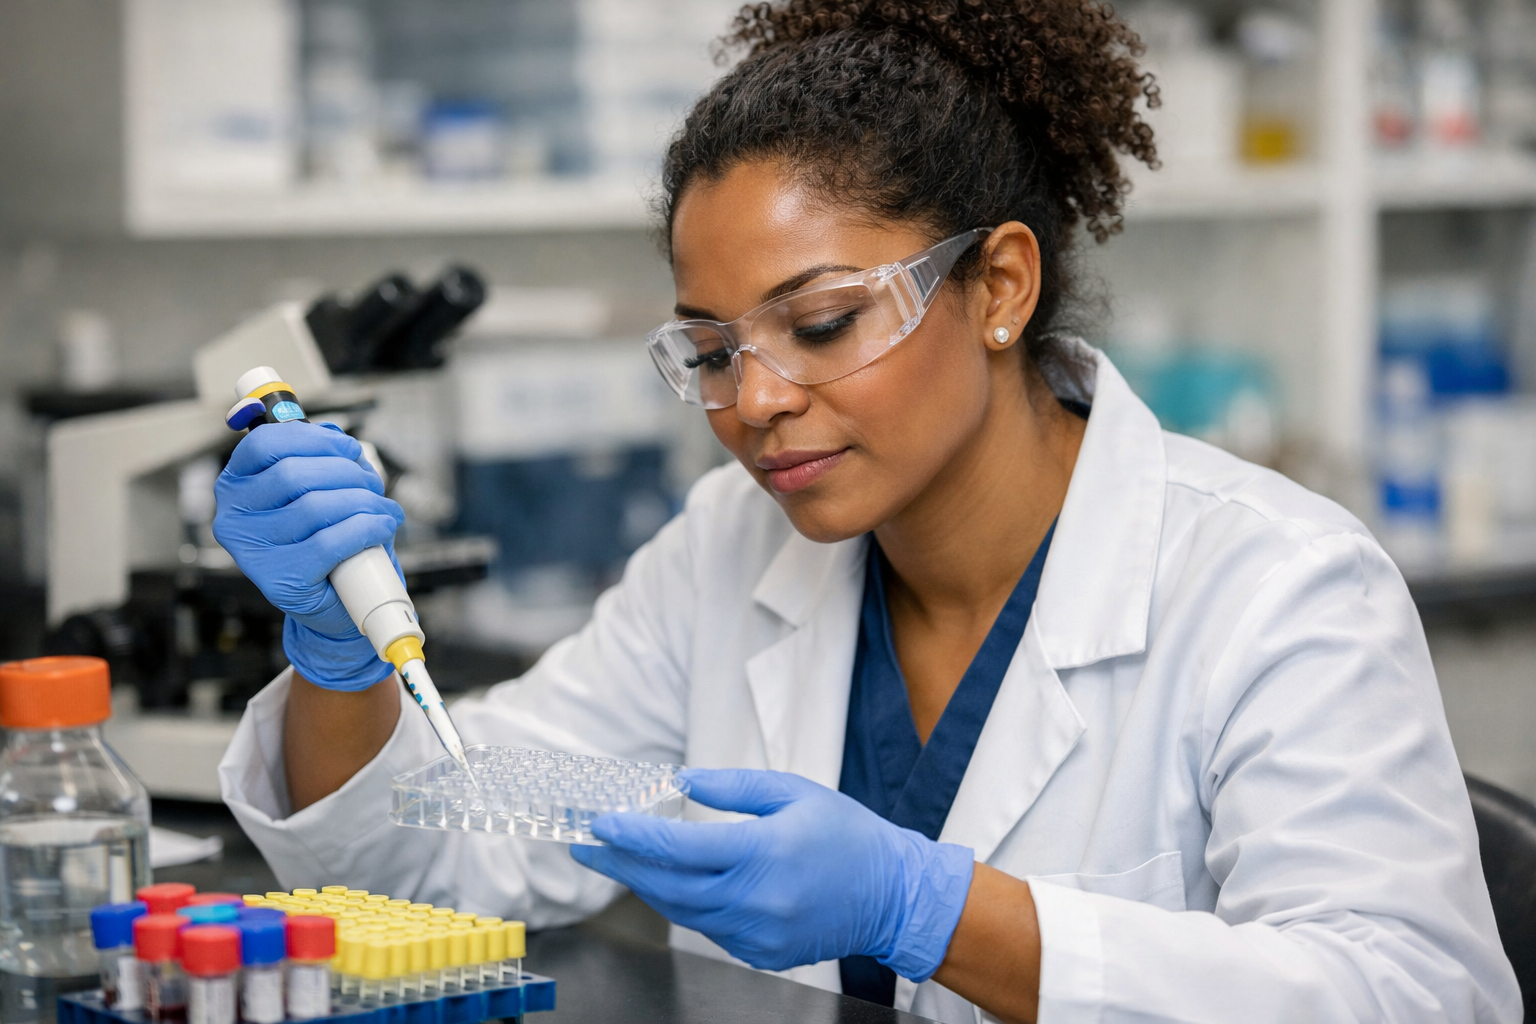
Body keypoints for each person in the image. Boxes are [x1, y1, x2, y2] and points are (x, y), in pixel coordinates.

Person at [214, 1, 1519, 1021]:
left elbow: (1412, 999)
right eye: (710, 350)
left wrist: (935, 912)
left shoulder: (1276, 585)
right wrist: (337, 660)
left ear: (999, 285)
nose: (755, 400)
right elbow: (430, 868)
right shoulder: (724, 554)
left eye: (822, 322)